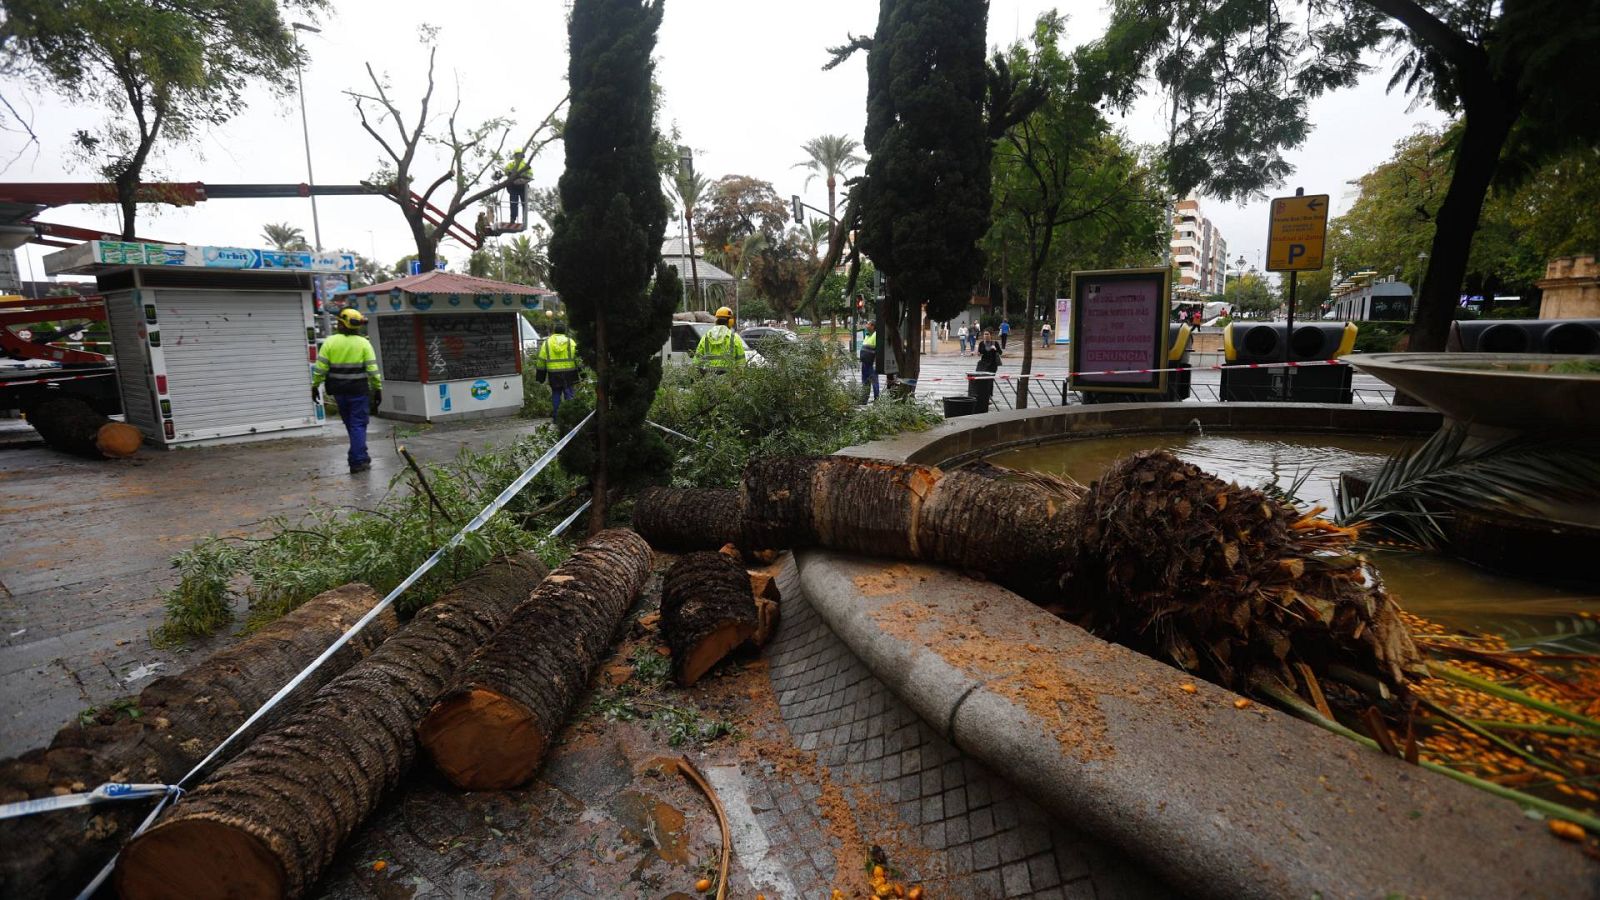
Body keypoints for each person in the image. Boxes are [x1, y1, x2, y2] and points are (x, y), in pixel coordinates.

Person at [312, 308, 383, 474]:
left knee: (352, 424)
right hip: (358, 391)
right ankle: (358, 461)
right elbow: (372, 369)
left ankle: (360, 456)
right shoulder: (363, 343)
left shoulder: (330, 342)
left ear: (341, 323)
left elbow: (320, 368)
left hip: (338, 391)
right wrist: (378, 388)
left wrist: (315, 386)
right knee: (358, 424)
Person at [536, 321, 580, 417]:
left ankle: (556, 418)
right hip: (569, 374)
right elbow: (578, 358)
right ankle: (571, 418)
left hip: (553, 374)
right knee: (569, 395)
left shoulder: (546, 343)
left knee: (556, 395)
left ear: (554, 331)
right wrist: (582, 373)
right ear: (564, 331)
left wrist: (540, 377)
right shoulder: (570, 342)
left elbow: (541, 361)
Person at [694, 306, 747, 371]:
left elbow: (696, 361)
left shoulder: (706, 337)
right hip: (729, 379)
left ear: (716, 321)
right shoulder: (735, 338)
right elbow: (741, 363)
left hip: (710, 378)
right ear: (730, 321)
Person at [972, 329, 1003, 411]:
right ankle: (982, 397)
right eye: (984, 334)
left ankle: (989, 397)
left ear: (990, 335)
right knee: (982, 381)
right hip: (983, 364)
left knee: (989, 381)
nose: (985, 335)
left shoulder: (995, 343)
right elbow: (979, 353)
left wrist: (995, 349)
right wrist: (977, 353)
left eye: (987, 334)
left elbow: (1000, 352)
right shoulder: (981, 343)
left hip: (992, 365)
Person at [504, 149, 532, 224]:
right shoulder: (512, 164)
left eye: (519, 154)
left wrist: (523, 177)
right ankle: (513, 218)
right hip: (513, 187)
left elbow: (530, 175)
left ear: (522, 155)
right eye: (517, 154)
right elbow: (506, 171)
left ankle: (524, 219)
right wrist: (510, 172)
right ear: (515, 155)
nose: (518, 156)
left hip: (523, 187)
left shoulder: (526, 165)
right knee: (513, 203)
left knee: (524, 204)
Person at [860, 321, 880, 402]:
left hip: (872, 363)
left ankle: (876, 400)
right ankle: (864, 400)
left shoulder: (876, 335)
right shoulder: (867, 335)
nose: (866, 325)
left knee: (874, 382)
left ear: (872, 326)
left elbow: (878, 349)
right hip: (865, 363)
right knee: (865, 382)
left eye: (868, 324)